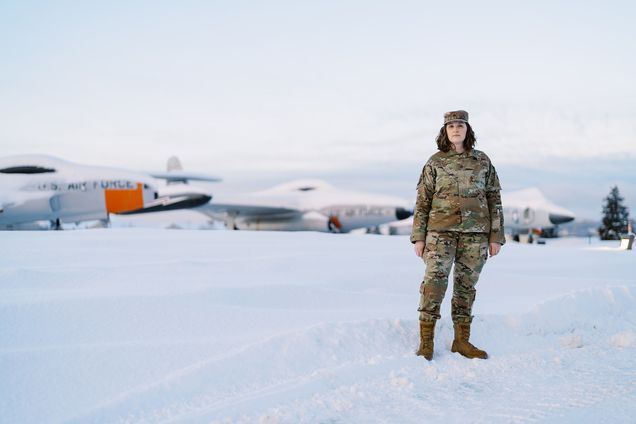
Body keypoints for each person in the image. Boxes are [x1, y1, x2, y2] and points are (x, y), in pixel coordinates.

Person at [411, 110, 505, 361]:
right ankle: (426, 343)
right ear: (445, 131)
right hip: (439, 234)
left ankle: (461, 341)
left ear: (467, 130)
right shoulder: (435, 162)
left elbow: (494, 198)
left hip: (475, 236)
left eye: (460, 125)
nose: (455, 129)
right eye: (451, 125)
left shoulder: (482, 161)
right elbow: (422, 201)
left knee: (466, 288)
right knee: (434, 285)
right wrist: (419, 237)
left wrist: (496, 236)